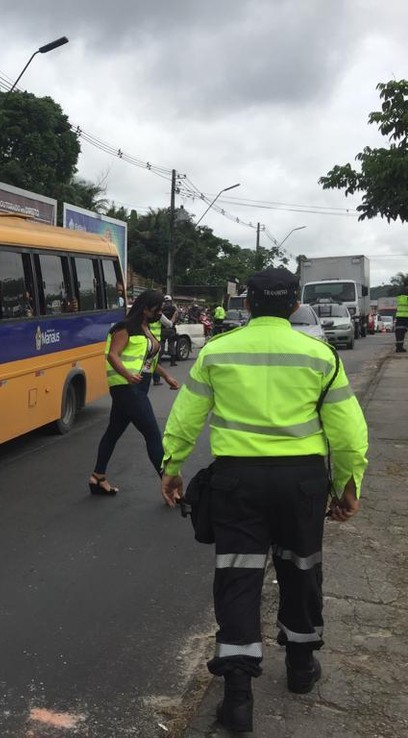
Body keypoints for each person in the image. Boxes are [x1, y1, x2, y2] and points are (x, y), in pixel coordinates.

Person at [159, 267, 368, 733]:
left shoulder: (216, 352)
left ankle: (236, 699)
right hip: (302, 485)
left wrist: (171, 468)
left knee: (237, 578)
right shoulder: (320, 355)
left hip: (237, 483)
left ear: (247, 304)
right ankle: (299, 669)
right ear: (295, 305)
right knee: (301, 568)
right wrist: (348, 485)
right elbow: (349, 434)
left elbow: (186, 417)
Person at [88, 289, 179, 496]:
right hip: (127, 388)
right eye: (158, 309)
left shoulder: (147, 327)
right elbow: (113, 355)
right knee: (153, 434)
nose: (161, 313)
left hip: (137, 387)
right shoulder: (125, 328)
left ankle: (97, 477)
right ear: (146, 308)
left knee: (113, 432)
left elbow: (148, 362)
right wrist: (128, 376)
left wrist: (166, 376)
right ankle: (170, 487)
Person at [161, 295, 179, 366]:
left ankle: (159, 361)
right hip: (171, 329)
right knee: (171, 345)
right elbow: (177, 316)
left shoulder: (161, 309)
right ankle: (172, 362)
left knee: (161, 344)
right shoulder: (173, 308)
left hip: (162, 329)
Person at [395, 284, 408, 352]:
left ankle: (399, 346)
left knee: (399, 332)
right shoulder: (406, 296)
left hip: (399, 316)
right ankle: (399, 347)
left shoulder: (400, 295)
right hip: (405, 316)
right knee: (401, 332)